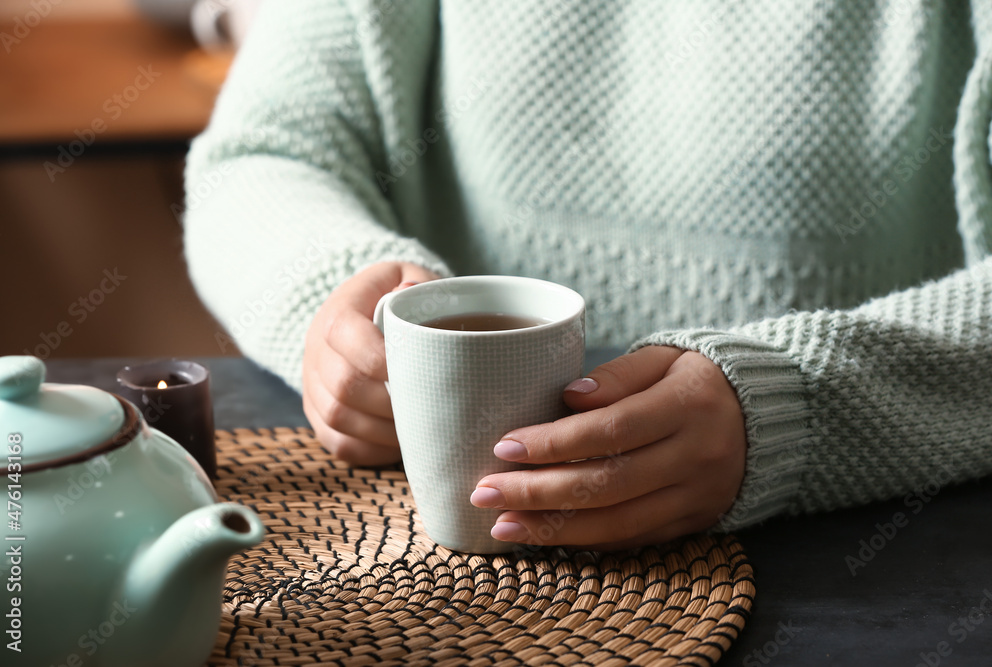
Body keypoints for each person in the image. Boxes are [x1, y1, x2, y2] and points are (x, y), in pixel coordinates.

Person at [183, 0, 992, 550]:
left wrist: (798, 402)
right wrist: (337, 303)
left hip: (874, 553)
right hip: (448, 571)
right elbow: (264, 155)